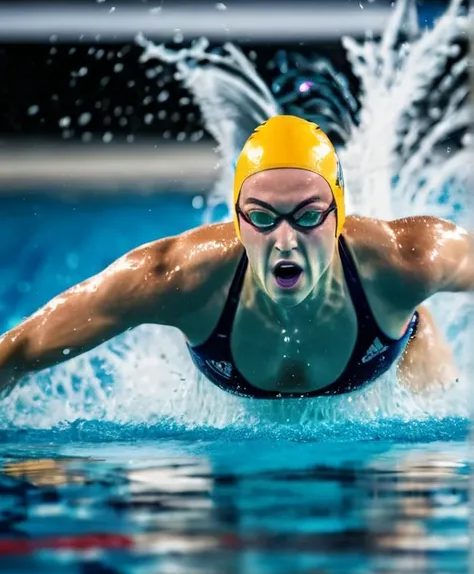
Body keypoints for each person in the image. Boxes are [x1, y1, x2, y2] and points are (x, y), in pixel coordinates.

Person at [0, 115, 472, 401]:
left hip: (399, 350)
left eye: (308, 215)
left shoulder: (407, 261)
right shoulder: (177, 277)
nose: (284, 239)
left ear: (339, 214)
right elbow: (19, 350)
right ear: (238, 219)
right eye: (263, 218)